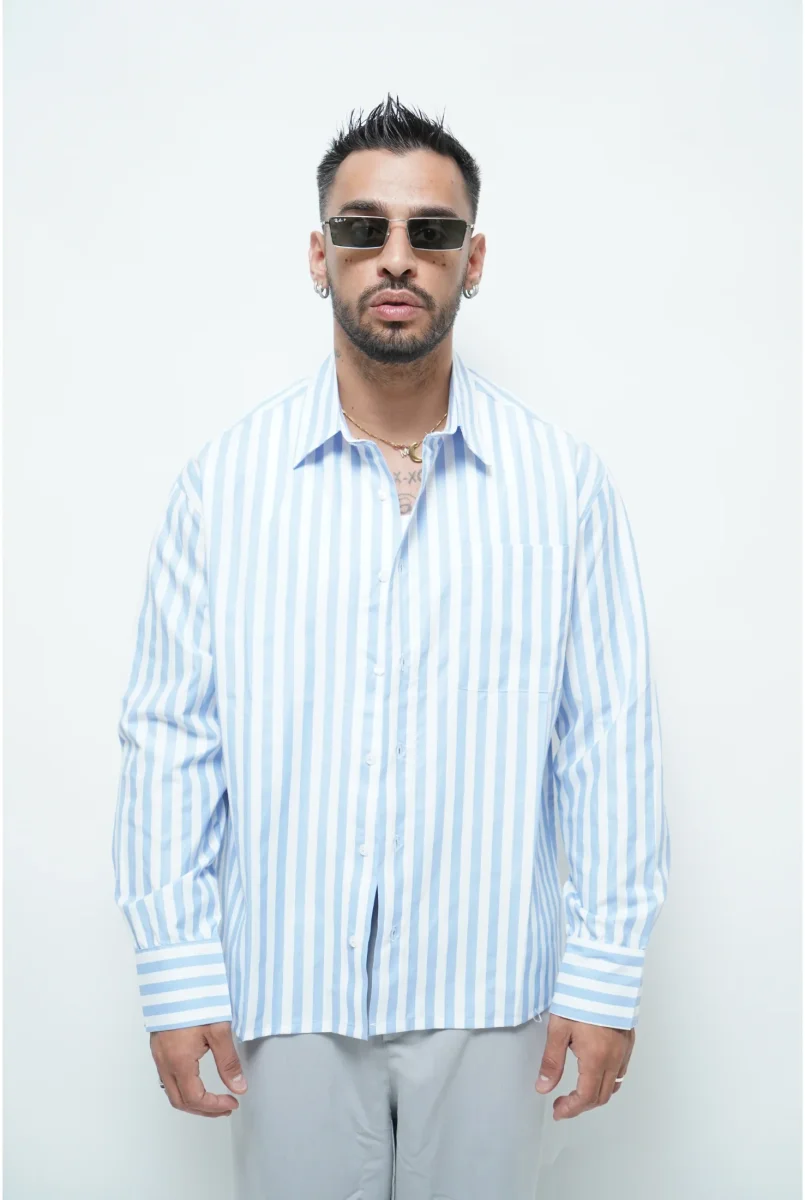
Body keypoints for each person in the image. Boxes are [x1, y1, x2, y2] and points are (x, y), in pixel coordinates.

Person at [111, 93, 671, 1200]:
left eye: (431, 230)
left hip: (494, 995)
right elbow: (170, 738)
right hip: (287, 993)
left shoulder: (561, 486)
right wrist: (176, 970)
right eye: (363, 228)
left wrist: (605, 972)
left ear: (474, 259)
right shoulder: (225, 487)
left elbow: (606, 739)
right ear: (319, 255)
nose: (397, 256)